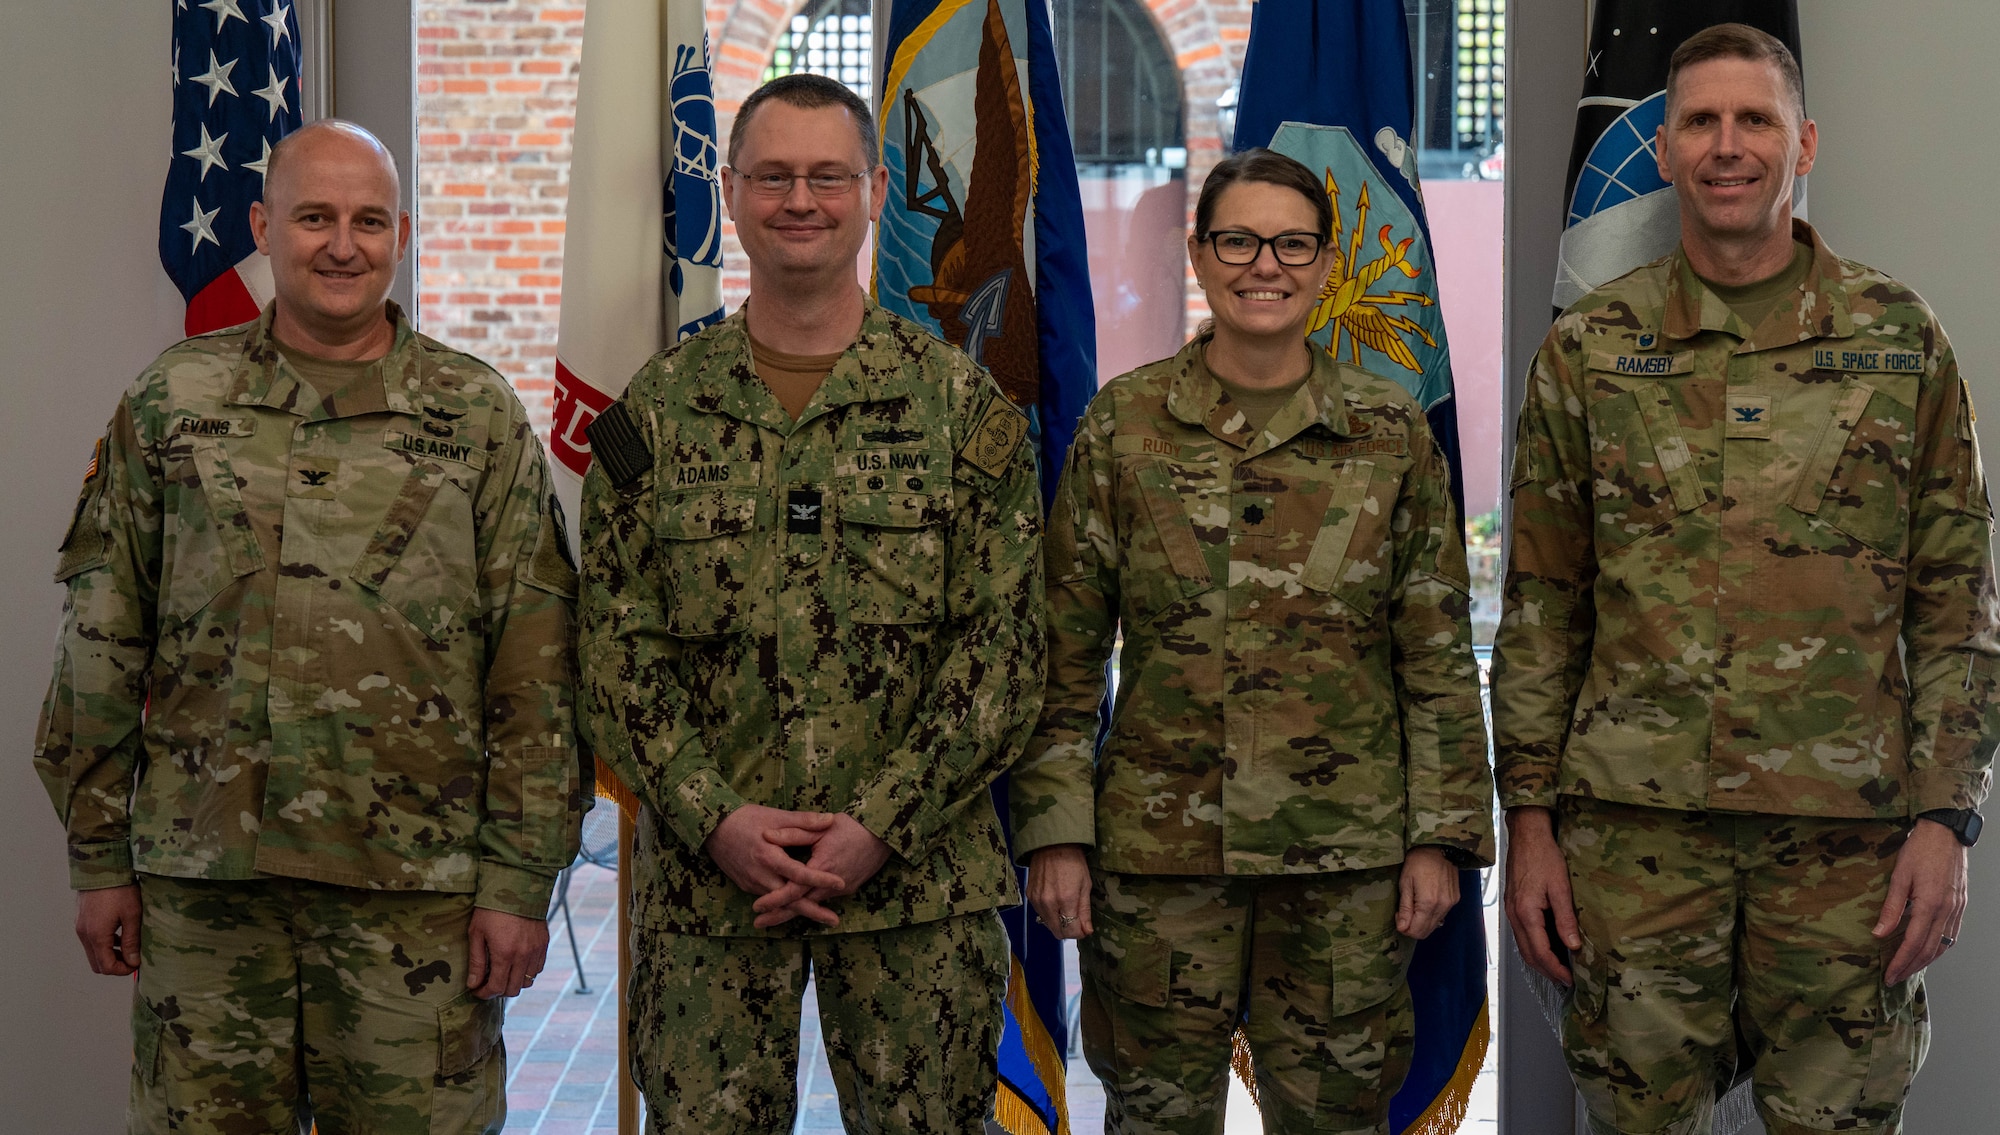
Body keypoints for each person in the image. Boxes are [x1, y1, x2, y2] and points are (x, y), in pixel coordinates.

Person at [1494, 24, 1998, 1135]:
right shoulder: (1587, 350)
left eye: (1754, 119)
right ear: (1663, 150)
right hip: (1631, 850)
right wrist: (1526, 820)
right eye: (1700, 123)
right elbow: (1541, 608)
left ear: (1802, 142)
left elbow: (1958, 611)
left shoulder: (1898, 340)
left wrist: (1942, 821)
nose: (1728, 146)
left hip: (1844, 857)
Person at [34, 119, 583, 1132]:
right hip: (208, 897)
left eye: (368, 220)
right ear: (262, 226)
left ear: (402, 234)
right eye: (314, 217)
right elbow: (104, 638)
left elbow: (534, 664)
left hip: (414, 900)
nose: (342, 244)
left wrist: (519, 875)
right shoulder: (170, 402)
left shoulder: (475, 415)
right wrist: (99, 855)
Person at [575, 73, 1045, 1133]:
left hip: (916, 889)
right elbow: (612, 654)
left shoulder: (960, 407)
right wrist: (715, 819)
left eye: (827, 176)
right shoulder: (654, 413)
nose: (801, 200)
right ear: (730, 194)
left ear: (876, 188)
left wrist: (876, 824)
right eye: (774, 176)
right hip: (710, 895)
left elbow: (1003, 655)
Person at [1009, 148, 1495, 1134]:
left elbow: (1436, 659)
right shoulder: (1125, 426)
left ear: (1323, 265)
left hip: (1343, 877)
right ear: (1197, 255)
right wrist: (1056, 831)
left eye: (1289, 244)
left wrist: (1440, 839)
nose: (1261, 264)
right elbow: (1062, 653)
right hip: (1156, 870)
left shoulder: (1388, 434)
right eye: (1235, 240)